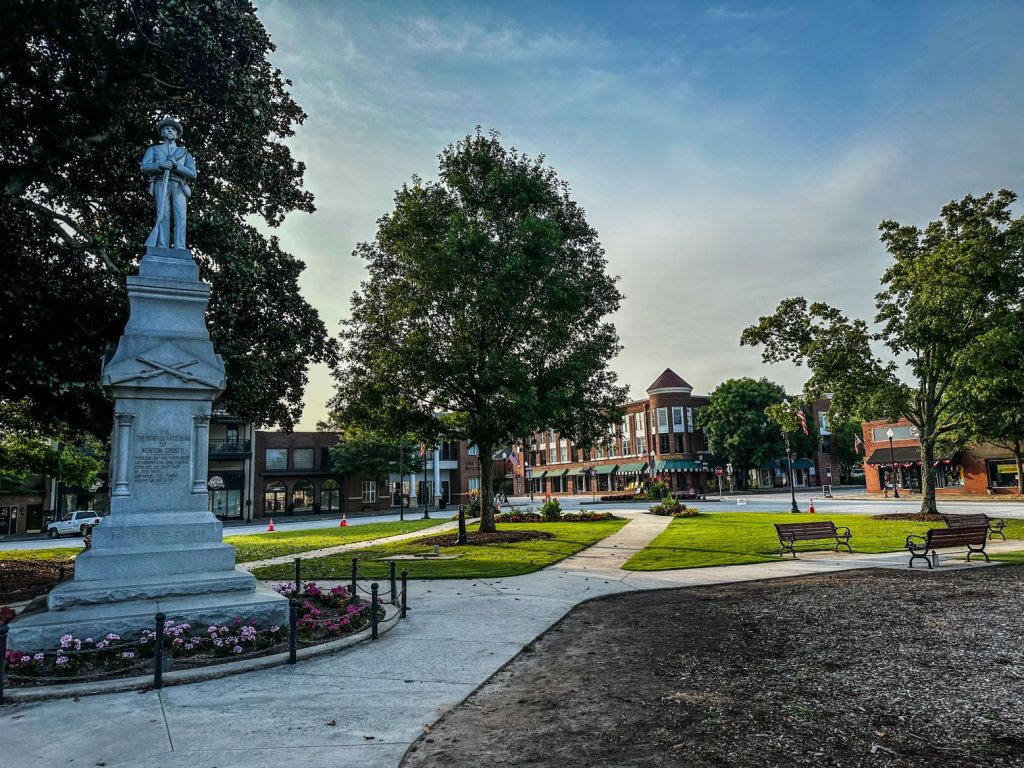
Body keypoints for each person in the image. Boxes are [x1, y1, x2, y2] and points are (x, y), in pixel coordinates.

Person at [141, 115, 197, 249]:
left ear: (177, 134)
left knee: (180, 217)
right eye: (167, 128)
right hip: (161, 183)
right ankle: (162, 246)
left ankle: (180, 247)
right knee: (162, 215)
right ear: (162, 133)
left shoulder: (184, 153)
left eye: (173, 129)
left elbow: (193, 174)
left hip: (179, 185)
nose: (170, 130)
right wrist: (160, 165)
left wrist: (177, 166)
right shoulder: (154, 150)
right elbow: (144, 167)